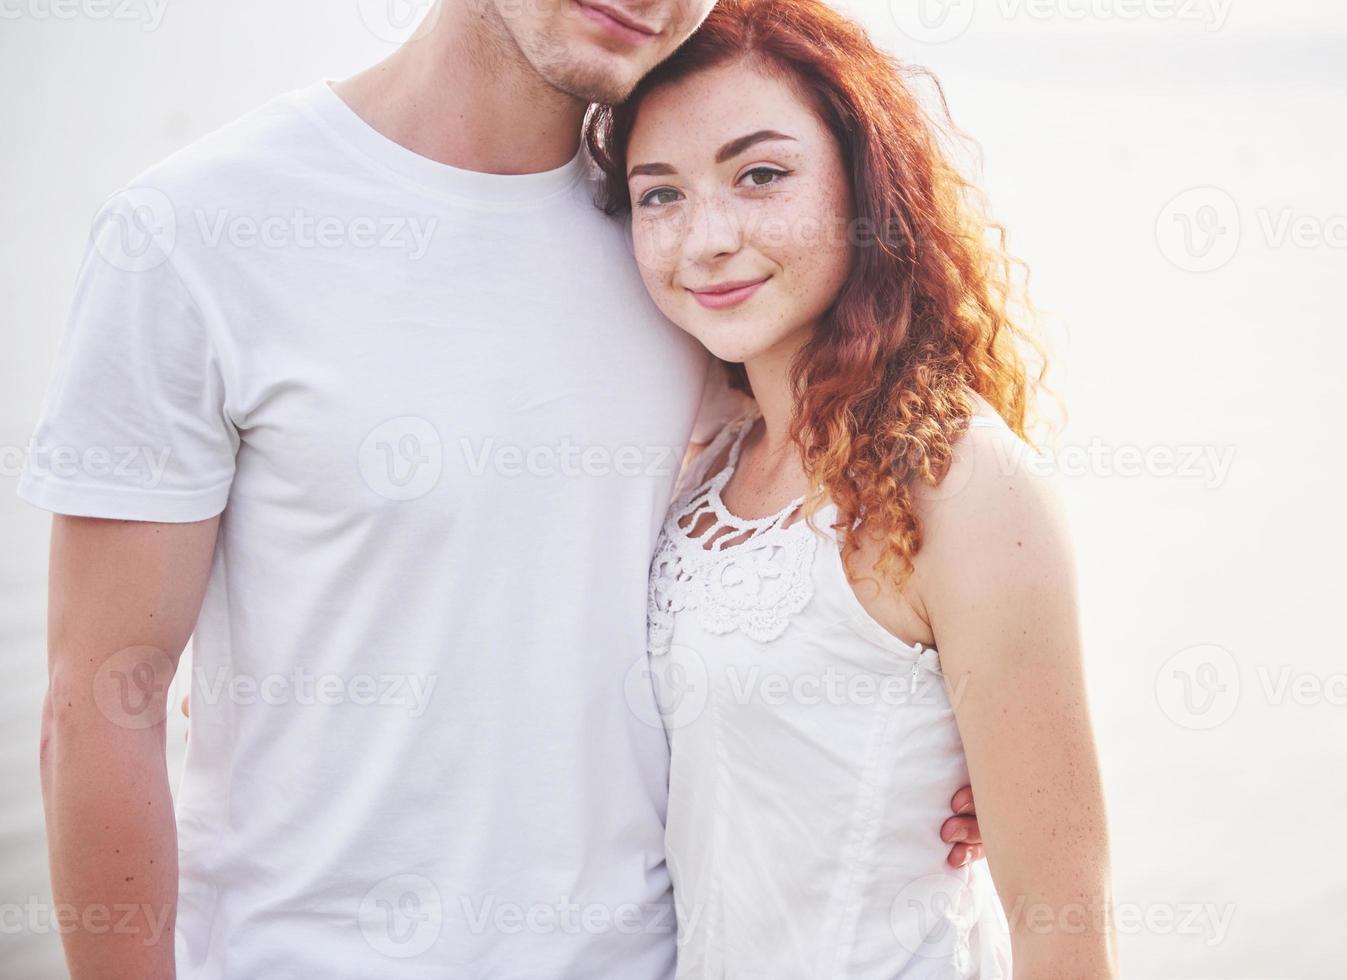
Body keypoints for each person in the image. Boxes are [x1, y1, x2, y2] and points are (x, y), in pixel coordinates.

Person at [21, 1, 983, 976]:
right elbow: (104, 699)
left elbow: (882, 451)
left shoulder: (672, 234)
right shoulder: (196, 232)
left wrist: (948, 731)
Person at [588, 0, 1118, 975]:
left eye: (759, 175)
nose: (705, 238)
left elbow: (1061, 913)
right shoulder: (705, 457)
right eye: (658, 194)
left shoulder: (959, 484)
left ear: (863, 182)